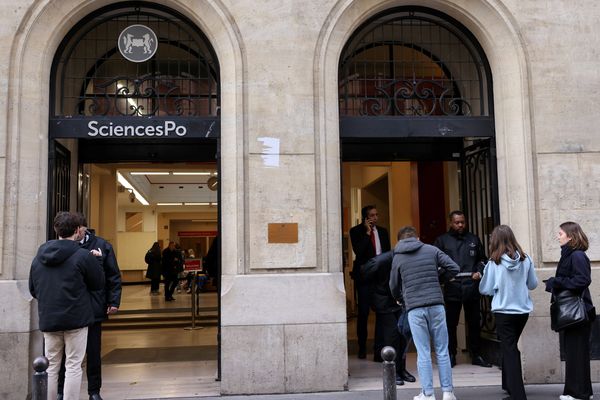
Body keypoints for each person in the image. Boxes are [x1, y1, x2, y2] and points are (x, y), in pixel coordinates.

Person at [29, 212, 105, 400]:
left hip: (49, 318)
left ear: (56, 230)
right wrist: (98, 262)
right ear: (78, 230)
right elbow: (98, 284)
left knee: (51, 366)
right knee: (73, 365)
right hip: (76, 318)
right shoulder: (83, 256)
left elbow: (33, 288)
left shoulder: (39, 256)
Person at [390, 226, 459, 400]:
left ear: (399, 240)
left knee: (423, 352)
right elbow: (454, 268)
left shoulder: (397, 257)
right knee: (442, 350)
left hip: (414, 307)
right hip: (436, 305)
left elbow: (393, 285)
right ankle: (448, 392)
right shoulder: (432, 250)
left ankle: (427, 394)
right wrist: (439, 279)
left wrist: (400, 299)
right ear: (417, 238)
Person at [58, 214, 122, 400]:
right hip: (70, 307)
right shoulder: (64, 247)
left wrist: (113, 301)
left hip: (94, 307)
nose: (77, 233)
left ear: (83, 228)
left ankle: (94, 391)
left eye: (79, 229)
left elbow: (113, 276)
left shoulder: (102, 246)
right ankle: (61, 391)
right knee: (65, 354)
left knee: (93, 352)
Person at [479, 225, 538, 400]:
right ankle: (509, 385)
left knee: (510, 348)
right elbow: (532, 284)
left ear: (495, 240)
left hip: (504, 311)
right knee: (510, 347)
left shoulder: (494, 262)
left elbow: (485, 289)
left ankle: (518, 394)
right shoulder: (526, 260)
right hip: (522, 312)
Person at [433, 210, 491, 368]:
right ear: (450, 223)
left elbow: (482, 259)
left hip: (472, 287)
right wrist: (445, 277)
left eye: (462, 222)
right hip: (452, 287)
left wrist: (479, 271)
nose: (460, 225)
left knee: (474, 322)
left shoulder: (473, 239)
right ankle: (451, 354)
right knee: (450, 324)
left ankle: (476, 354)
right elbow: (435, 264)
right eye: (457, 222)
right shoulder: (442, 241)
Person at [544, 222, 595, 400]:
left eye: (560, 233)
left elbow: (582, 280)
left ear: (570, 236)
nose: (558, 236)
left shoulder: (577, 256)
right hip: (571, 313)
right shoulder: (568, 255)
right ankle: (577, 392)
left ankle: (578, 394)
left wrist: (556, 282)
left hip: (578, 313)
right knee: (574, 353)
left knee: (577, 353)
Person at [361, 246, 416, 386]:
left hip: (399, 301)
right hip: (384, 303)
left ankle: (402, 369)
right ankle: (393, 372)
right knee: (391, 336)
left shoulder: (407, 258)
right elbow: (364, 273)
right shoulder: (382, 260)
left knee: (403, 335)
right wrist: (377, 290)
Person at [349, 205, 390, 359]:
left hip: (380, 278)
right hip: (364, 278)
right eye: (372, 215)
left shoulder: (383, 232)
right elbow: (359, 252)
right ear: (365, 217)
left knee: (381, 312)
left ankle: (379, 350)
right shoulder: (356, 231)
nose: (375, 218)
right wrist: (367, 233)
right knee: (363, 313)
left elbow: (386, 254)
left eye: (376, 215)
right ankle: (361, 348)